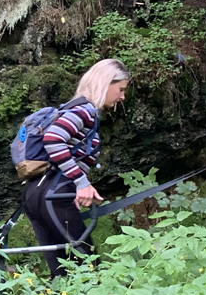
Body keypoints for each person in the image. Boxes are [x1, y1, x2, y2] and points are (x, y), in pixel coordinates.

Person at [24, 59, 130, 278]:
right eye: (120, 89)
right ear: (106, 83)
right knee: (87, 265)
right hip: (53, 196)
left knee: (63, 270)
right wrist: (82, 183)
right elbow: (53, 139)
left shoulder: (72, 109)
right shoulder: (84, 112)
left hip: (37, 194)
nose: (122, 97)